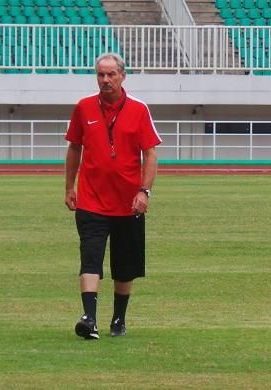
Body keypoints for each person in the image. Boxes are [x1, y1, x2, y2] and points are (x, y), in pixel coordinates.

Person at [64, 52, 162, 340]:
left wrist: (144, 191)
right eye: (100, 75)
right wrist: (69, 187)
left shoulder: (139, 109)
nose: (105, 80)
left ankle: (118, 319)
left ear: (122, 75)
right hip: (91, 201)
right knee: (90, 259)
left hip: (129, 203)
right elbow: (73, 149)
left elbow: (150, 153)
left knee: (125, 266)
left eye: (110, 75)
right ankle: (89, 319)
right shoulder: (83, 108)